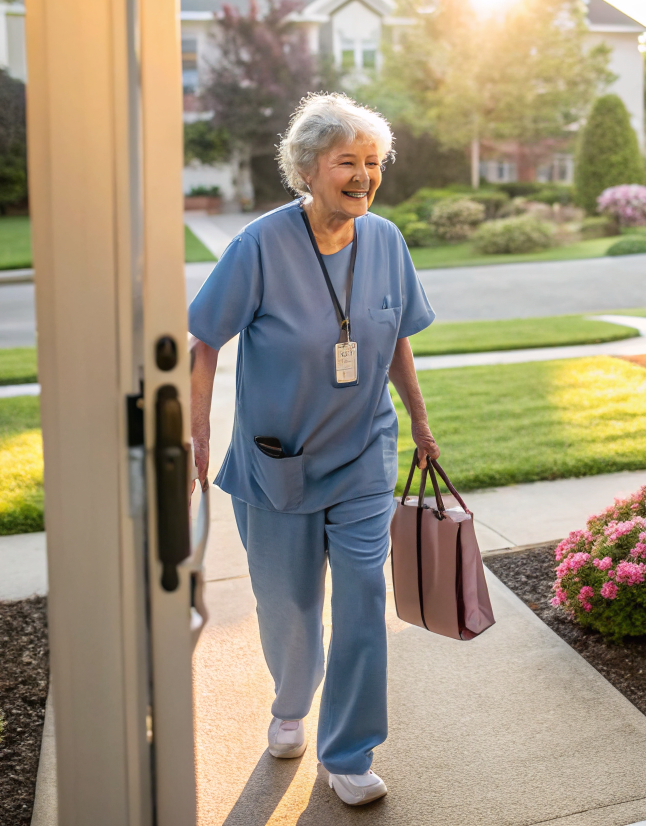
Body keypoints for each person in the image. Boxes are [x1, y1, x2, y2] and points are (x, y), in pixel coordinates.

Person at [187, 92, 438, 807]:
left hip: (363, 454)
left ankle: (349, 752)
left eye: (372, 162)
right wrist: (199, 428)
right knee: (289, 606)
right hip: (279, 462)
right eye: (346, 163)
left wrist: (418, 422)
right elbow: (205, 337)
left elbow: (397, 342)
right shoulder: (260, 246)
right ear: (306, 169)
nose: (363, 176)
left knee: (362, 594)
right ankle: (290, 703)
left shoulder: (386, 241)